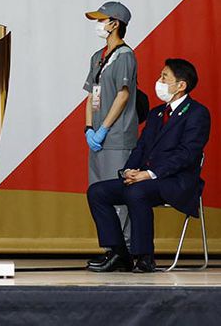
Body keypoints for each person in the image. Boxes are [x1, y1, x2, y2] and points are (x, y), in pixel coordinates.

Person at [86, 59, 209, 273]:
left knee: (136, 192)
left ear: (181, 85)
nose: (159, 81)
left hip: (176, 182)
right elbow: (141, 147)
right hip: (144, 179)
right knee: (97, 192)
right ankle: (119, 253)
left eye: (164, 77)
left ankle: (145, 257)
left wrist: (150, 174)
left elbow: (187, 155)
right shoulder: (156, 113)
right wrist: (129, 170)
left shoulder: (197, 113)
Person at [83, 2, 139, 249]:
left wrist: (104, 128)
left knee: (119, 195)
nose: (98, 24)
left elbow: (123, 95)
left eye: (101, 20)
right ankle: (110, 248)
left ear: (115, 24)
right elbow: (91, 95)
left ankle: (124, 248)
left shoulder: (125, 56)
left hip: (117, 138)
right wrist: (89, 128)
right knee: (98, 193)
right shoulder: (98, 57)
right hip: (97, 138)